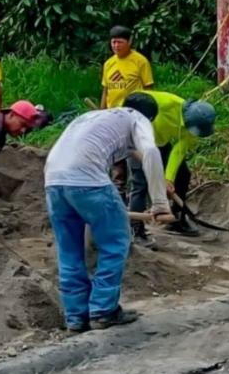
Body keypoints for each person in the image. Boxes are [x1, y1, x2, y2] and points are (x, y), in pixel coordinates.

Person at [44, 106, 173, 332]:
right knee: (115, 243)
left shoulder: (94, 117)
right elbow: (151, 152)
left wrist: (158, 179)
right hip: (88, 181)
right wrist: (161, 204)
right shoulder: (138, 117)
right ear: (151, 117)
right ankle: (104, 310)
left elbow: (131, 151)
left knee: (69, 250)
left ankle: (75, 316)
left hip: (54, 181)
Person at [124, 91, 216, 246]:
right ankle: (136, 230)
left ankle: (177, 219)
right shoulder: (165, 104)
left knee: (183, 174)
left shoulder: (193, 126)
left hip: (160, 142)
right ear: (186, 118)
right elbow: (133, 105)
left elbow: (179, 150)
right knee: (141, 183)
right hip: (138, 140)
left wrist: (168, 179)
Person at [100, 25, 154, 109]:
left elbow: (148, 89)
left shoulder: (140, 61)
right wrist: (102, 111)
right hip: (112, 111)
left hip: (133, 111)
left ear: (129, 42)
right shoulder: (108, 63)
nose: (116, 46)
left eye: (120, 42)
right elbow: (105, 90)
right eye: (114, 42)